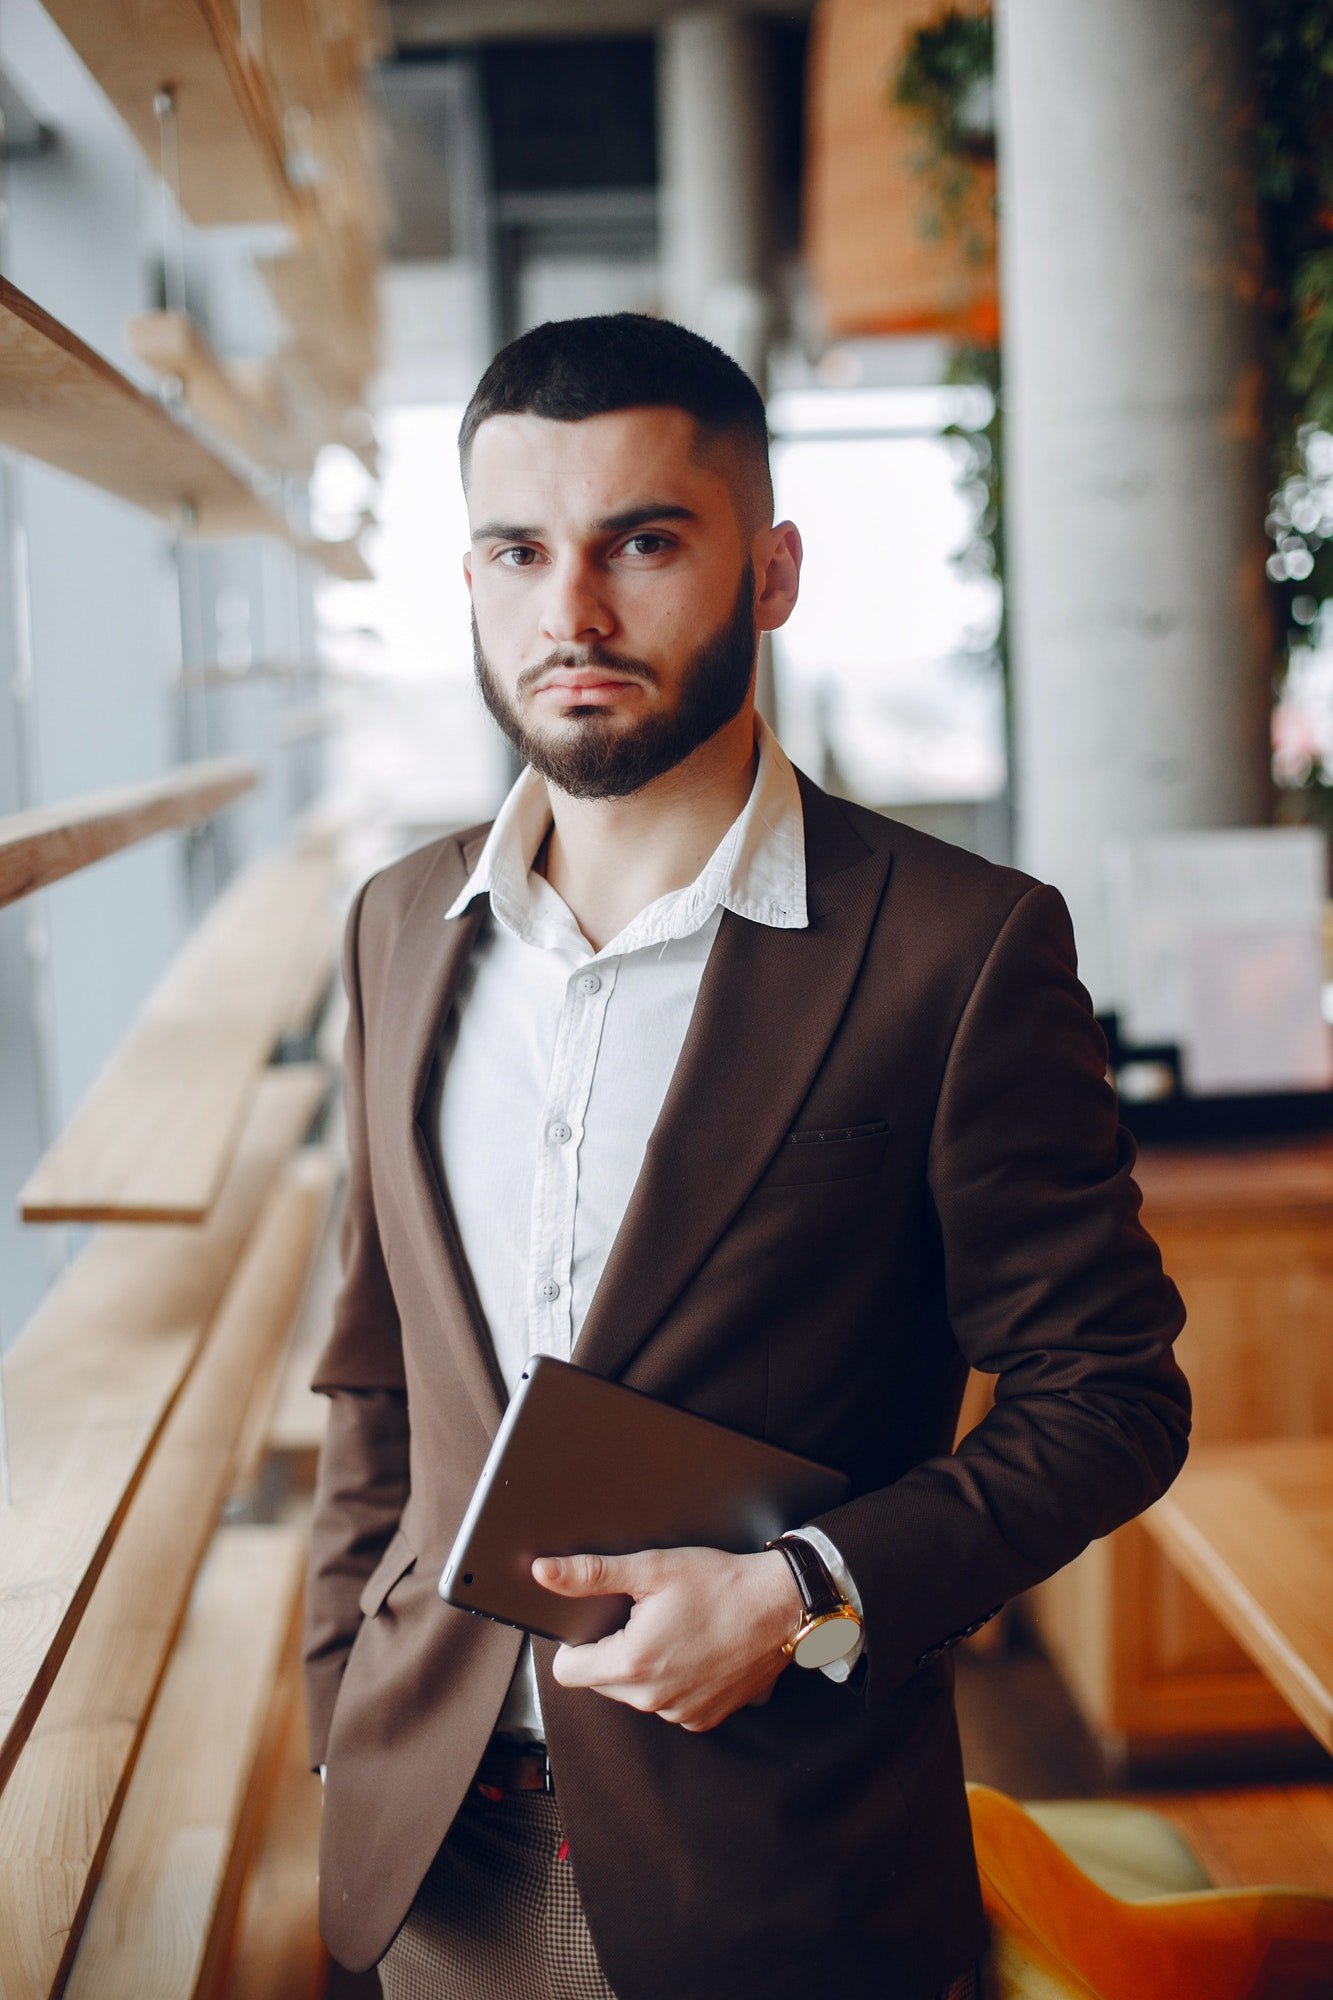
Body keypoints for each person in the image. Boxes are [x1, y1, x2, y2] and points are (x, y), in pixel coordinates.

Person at [303, 313, 1190, 2000]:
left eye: (642, 542)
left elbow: (1112, 1395)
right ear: (470, 577)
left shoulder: (960, 946)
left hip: (784, 1868)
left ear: (770, 571)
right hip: (435, 1853)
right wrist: (341, 1707)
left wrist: (802, 1593)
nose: (571, 611)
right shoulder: (397, 925)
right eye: (518, 550)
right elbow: (379, 1378)